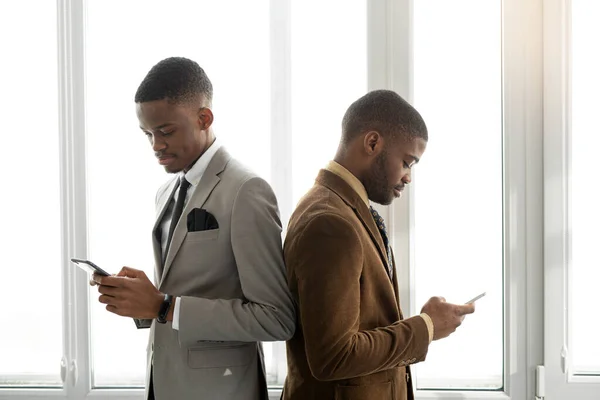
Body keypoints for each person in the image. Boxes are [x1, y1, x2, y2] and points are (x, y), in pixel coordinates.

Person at [91, 57, 296, 400]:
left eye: (166, 132)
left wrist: (164, 305)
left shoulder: (246, 190)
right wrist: (142, 301)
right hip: (164, 384)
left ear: (204, 118)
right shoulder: (166, 192)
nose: (155, 145)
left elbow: (276, 318)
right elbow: (178, 296)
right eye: (148, 134)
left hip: (223, 390)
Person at [282, 90, 475, 400]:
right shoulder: (331, 223)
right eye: (407, 162)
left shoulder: (339, 208)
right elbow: (334, 356)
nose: (408, 177)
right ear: (372, 143)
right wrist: (425, 327)